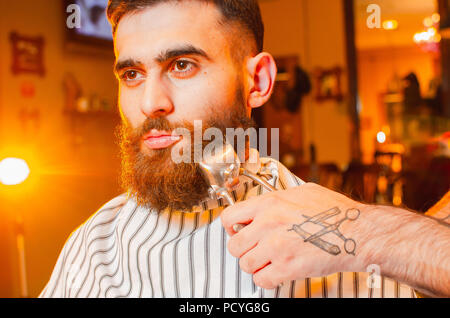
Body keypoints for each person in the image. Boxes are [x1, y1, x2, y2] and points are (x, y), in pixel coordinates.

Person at [39, 0, 449, 298]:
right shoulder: (96, 246)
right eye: (131, 74)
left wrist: (360, 231)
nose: (150, 103)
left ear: (257, 82)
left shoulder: (344, 245)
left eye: (182, 65)